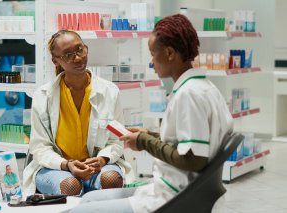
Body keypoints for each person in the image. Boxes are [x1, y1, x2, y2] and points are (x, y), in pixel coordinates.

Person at [70, 14, 233, 213]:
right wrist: (148, 135)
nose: (151, 62)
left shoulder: (188, 95)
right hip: (174, 189)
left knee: (81, 210)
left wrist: (144, 142)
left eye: (153, 54)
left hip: (173, 197)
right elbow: (188, 144)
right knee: (88, 199)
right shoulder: (205, 88)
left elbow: (194, 160)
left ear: (170, 53)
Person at [23, 30, 131, 196]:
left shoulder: (110, 91)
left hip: (97, 166)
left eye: (80, 50)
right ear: (55, 60)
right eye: (67, 55)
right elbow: (39, 148)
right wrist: (68, 165)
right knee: (71, 186)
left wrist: (102, 160)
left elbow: (116, 140)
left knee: (111, 179)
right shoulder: (43, 96)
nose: (78, 58)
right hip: (57, 168)